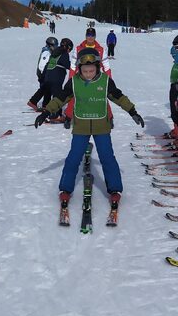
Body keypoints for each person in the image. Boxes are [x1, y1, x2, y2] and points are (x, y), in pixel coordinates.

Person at [34, 47, 144, 208]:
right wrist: (45, 112)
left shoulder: (105, 81)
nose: (88, 74)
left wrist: (132, 111)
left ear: (98, 67)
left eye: (91, 70)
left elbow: (118, 97)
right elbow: (60, 98)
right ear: (79, 68)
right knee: (73, 158)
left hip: (101, 127)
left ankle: (115, 190)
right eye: (84, 71)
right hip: (81, 127)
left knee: (107, 158)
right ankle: (65, 188)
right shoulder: (74, 81)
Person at [65, 27, 112, 126]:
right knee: (74, 95)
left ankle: (109, 117)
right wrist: (71, 79)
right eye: (88, 35)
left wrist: (108, 81)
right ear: (86, 36)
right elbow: (73, 65)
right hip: (81, 77)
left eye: (92, 35)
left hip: (96, 77)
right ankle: (68, 117)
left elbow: (106, 66)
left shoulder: (101, 49)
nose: (90, 37)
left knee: (101, 96)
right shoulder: (78, 49)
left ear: (95, 36)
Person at [42, 37, 73, 121]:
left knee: (49, 93)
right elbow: (67, 64)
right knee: (58, 96)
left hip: (48, 76)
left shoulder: (55, 51)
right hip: (56, 77)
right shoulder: (64, 53)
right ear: (68, 47)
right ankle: (56, 114)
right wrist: (74, 65)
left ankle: (46, 108)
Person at [27, 37, 58, 112]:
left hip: (45, 73)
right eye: (55, 46)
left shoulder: (49, 51)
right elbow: (42, 65)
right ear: (50, 45)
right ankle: (34, 102)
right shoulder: (46, 52)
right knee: (45, 89)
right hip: (43, 74)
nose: (56, 47)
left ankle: (43, 105)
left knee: (47, 89)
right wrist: (45, 75)